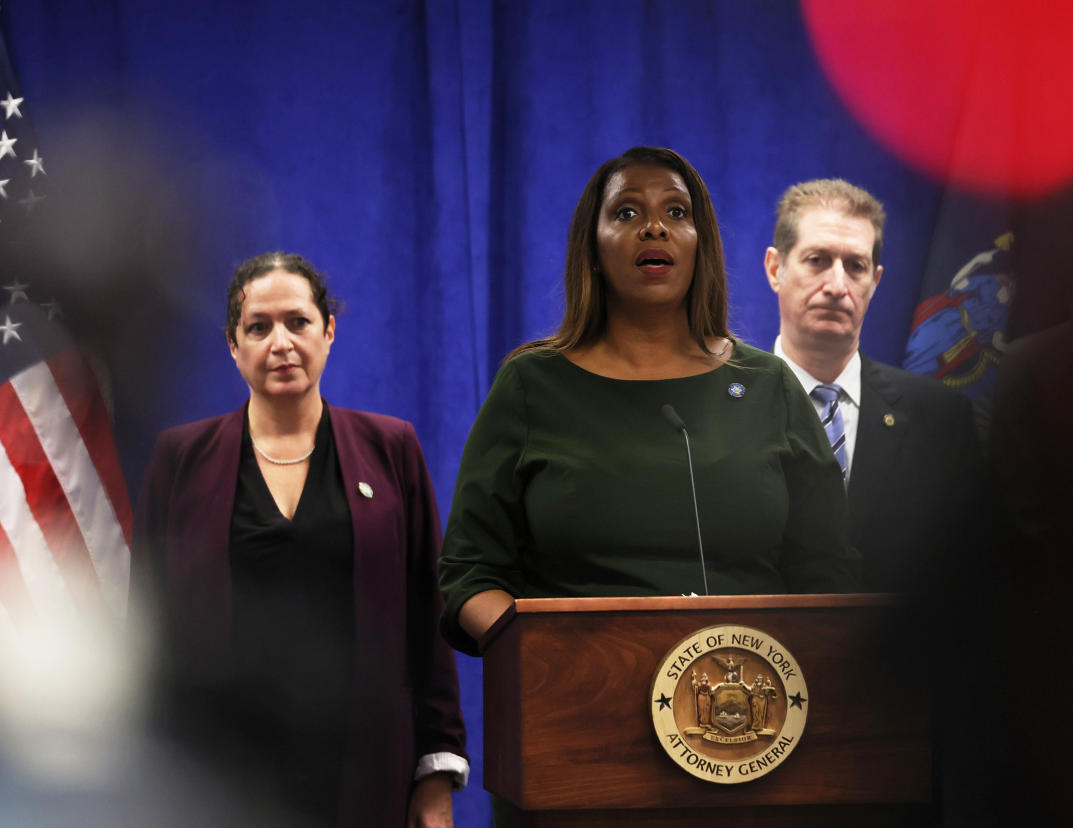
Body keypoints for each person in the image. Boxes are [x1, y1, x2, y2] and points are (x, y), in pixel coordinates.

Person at [438, 147, 856, 655]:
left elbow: (828, 571)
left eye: (677, 212)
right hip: (578, 700)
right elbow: (469, 571)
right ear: (593, 246)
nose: (654, 228)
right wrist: (544, 658)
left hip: (747, 704)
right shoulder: (532, 385)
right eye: (627, 212)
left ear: (700, 244)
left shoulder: (769, 384)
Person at [134, 252, 467, 827]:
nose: (280, 342)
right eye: (258, 327)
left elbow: (427, 618)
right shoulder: (179, 459)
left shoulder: (393, 449)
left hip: (364, 768)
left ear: (329, 330)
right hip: (220, 775)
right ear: (233, 346)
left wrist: (436, 774)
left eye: (298, 321)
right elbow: (149, 627)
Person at [763, 178, 984, 596]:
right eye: (817, 260)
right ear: (776, 268)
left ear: (875, 280)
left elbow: (971, 574)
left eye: (855, 266)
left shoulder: (940, 419)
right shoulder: (723, 406)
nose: (836, 285)